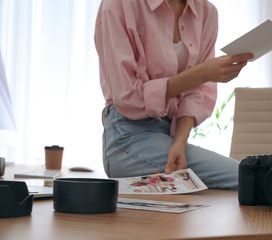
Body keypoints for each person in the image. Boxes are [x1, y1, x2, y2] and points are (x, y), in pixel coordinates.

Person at [94, 0, 254, 191]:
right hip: (127, 136)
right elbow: (128, 96)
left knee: (243, 181)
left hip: (171, 138)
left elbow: (196, 93)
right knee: (246, 178)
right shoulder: (119, 4)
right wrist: (202, 73)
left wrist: (179, 143)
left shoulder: (206, 11)